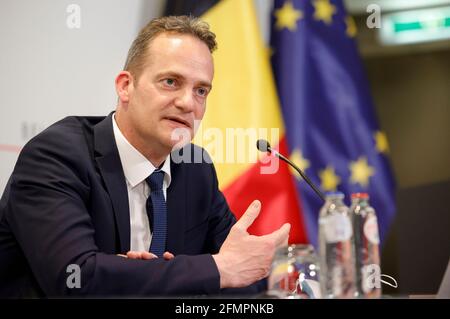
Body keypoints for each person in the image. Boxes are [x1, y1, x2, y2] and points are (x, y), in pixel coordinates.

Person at [0, 15, 290, 298]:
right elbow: (75, 278)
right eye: (170, 82)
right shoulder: (57, 156)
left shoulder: (195, 168)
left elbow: (243, 280)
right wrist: (211, 269)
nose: (188, 103)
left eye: (201, 90)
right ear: (126, 86)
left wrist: (162, 276)